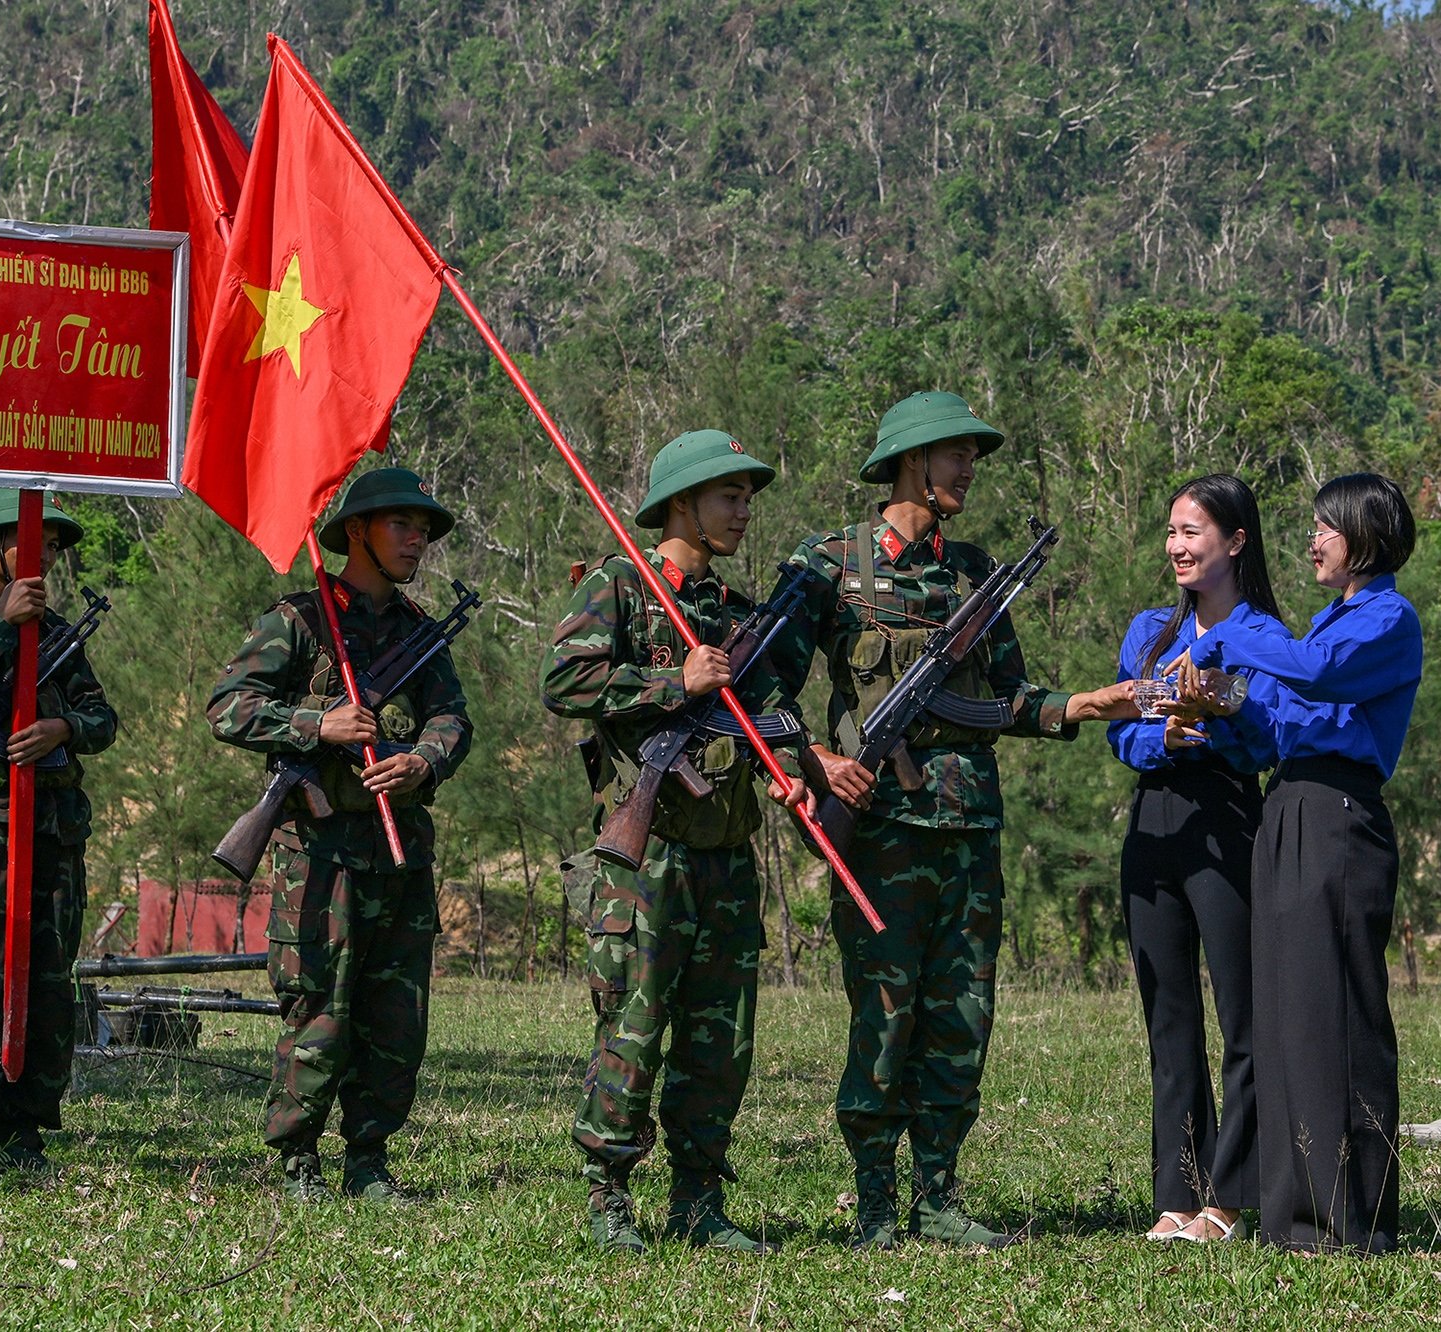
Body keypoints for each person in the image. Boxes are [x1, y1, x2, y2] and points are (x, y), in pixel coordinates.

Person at [767, 390, 1136, 1250]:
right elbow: (760, 691)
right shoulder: (829, 565)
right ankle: (872, 1204)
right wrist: (814, 763)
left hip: (968, 831)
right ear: (908, 462)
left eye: (974, 454)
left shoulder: (975, 575)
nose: (970, 468)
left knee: (962, 1015)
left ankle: (937, 1195)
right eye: (955, 453)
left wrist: (1083, 702)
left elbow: (1005, 700)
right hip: (881, 831)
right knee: (883, 1014)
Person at [542, 430, 810, 1254]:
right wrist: (673, 683)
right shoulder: (622, 588)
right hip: (647, 856)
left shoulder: (736, 613)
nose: (742, 511)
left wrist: (789, 767)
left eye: (747, 497)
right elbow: (563, 680)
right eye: (728, 496)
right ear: (683, 504)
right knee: (633, 1023)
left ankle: (698, 1199)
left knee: (719, 1037)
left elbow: (773, 715)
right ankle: (609, 1198)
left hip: (726, 854)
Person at [1170, 471, 1421, 1255]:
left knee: (1334, 1014)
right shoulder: (1325, 623)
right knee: (1284, 1014)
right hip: (1289, 808)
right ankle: (1292, 1213)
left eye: (1325, 527)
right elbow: (1285, 720)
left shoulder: (1386, 620)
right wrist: (1227, 700)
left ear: (1366, 537)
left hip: (1339, 816)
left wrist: (1221, 636)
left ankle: (1349, 1216)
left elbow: (1313, 677)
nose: (1311, 540)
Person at [208, 468, 473, 1205]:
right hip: (319, 851)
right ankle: (297, 1159)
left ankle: (369, 1158)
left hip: (398, 849)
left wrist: (422, 760)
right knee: (318, 1003)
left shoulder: (422, 633)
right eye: (402, 524)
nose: (418, 538)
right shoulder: (299, 620)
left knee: (396, 1012)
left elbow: (453, 717)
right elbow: (228, 705)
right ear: (357, 531)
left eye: (423, 527)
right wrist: (314, 724)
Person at [0, 489, 116, 1182]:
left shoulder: (62, 632)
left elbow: (103, 717)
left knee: (47, 989)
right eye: (30, 541)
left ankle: (21, 1137)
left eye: (55, 546)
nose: (47, 557)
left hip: (54, 841)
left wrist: (63, 729)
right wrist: (2, 628)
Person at [1108, 474, 1281, 1243]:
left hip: (1230, 815)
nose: (1177, 547)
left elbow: (1274, 740)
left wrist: (1214, 720)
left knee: (1242, 1014)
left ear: (1235, 541)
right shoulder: (1149, 631)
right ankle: (1177, 1194)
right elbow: (1120, 731)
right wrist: (1164, 737)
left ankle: (1232, 1197)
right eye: (1172, 532)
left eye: (1193, 532)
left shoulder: (1265, 636)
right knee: (1169, 1015)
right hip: (1155, 820)